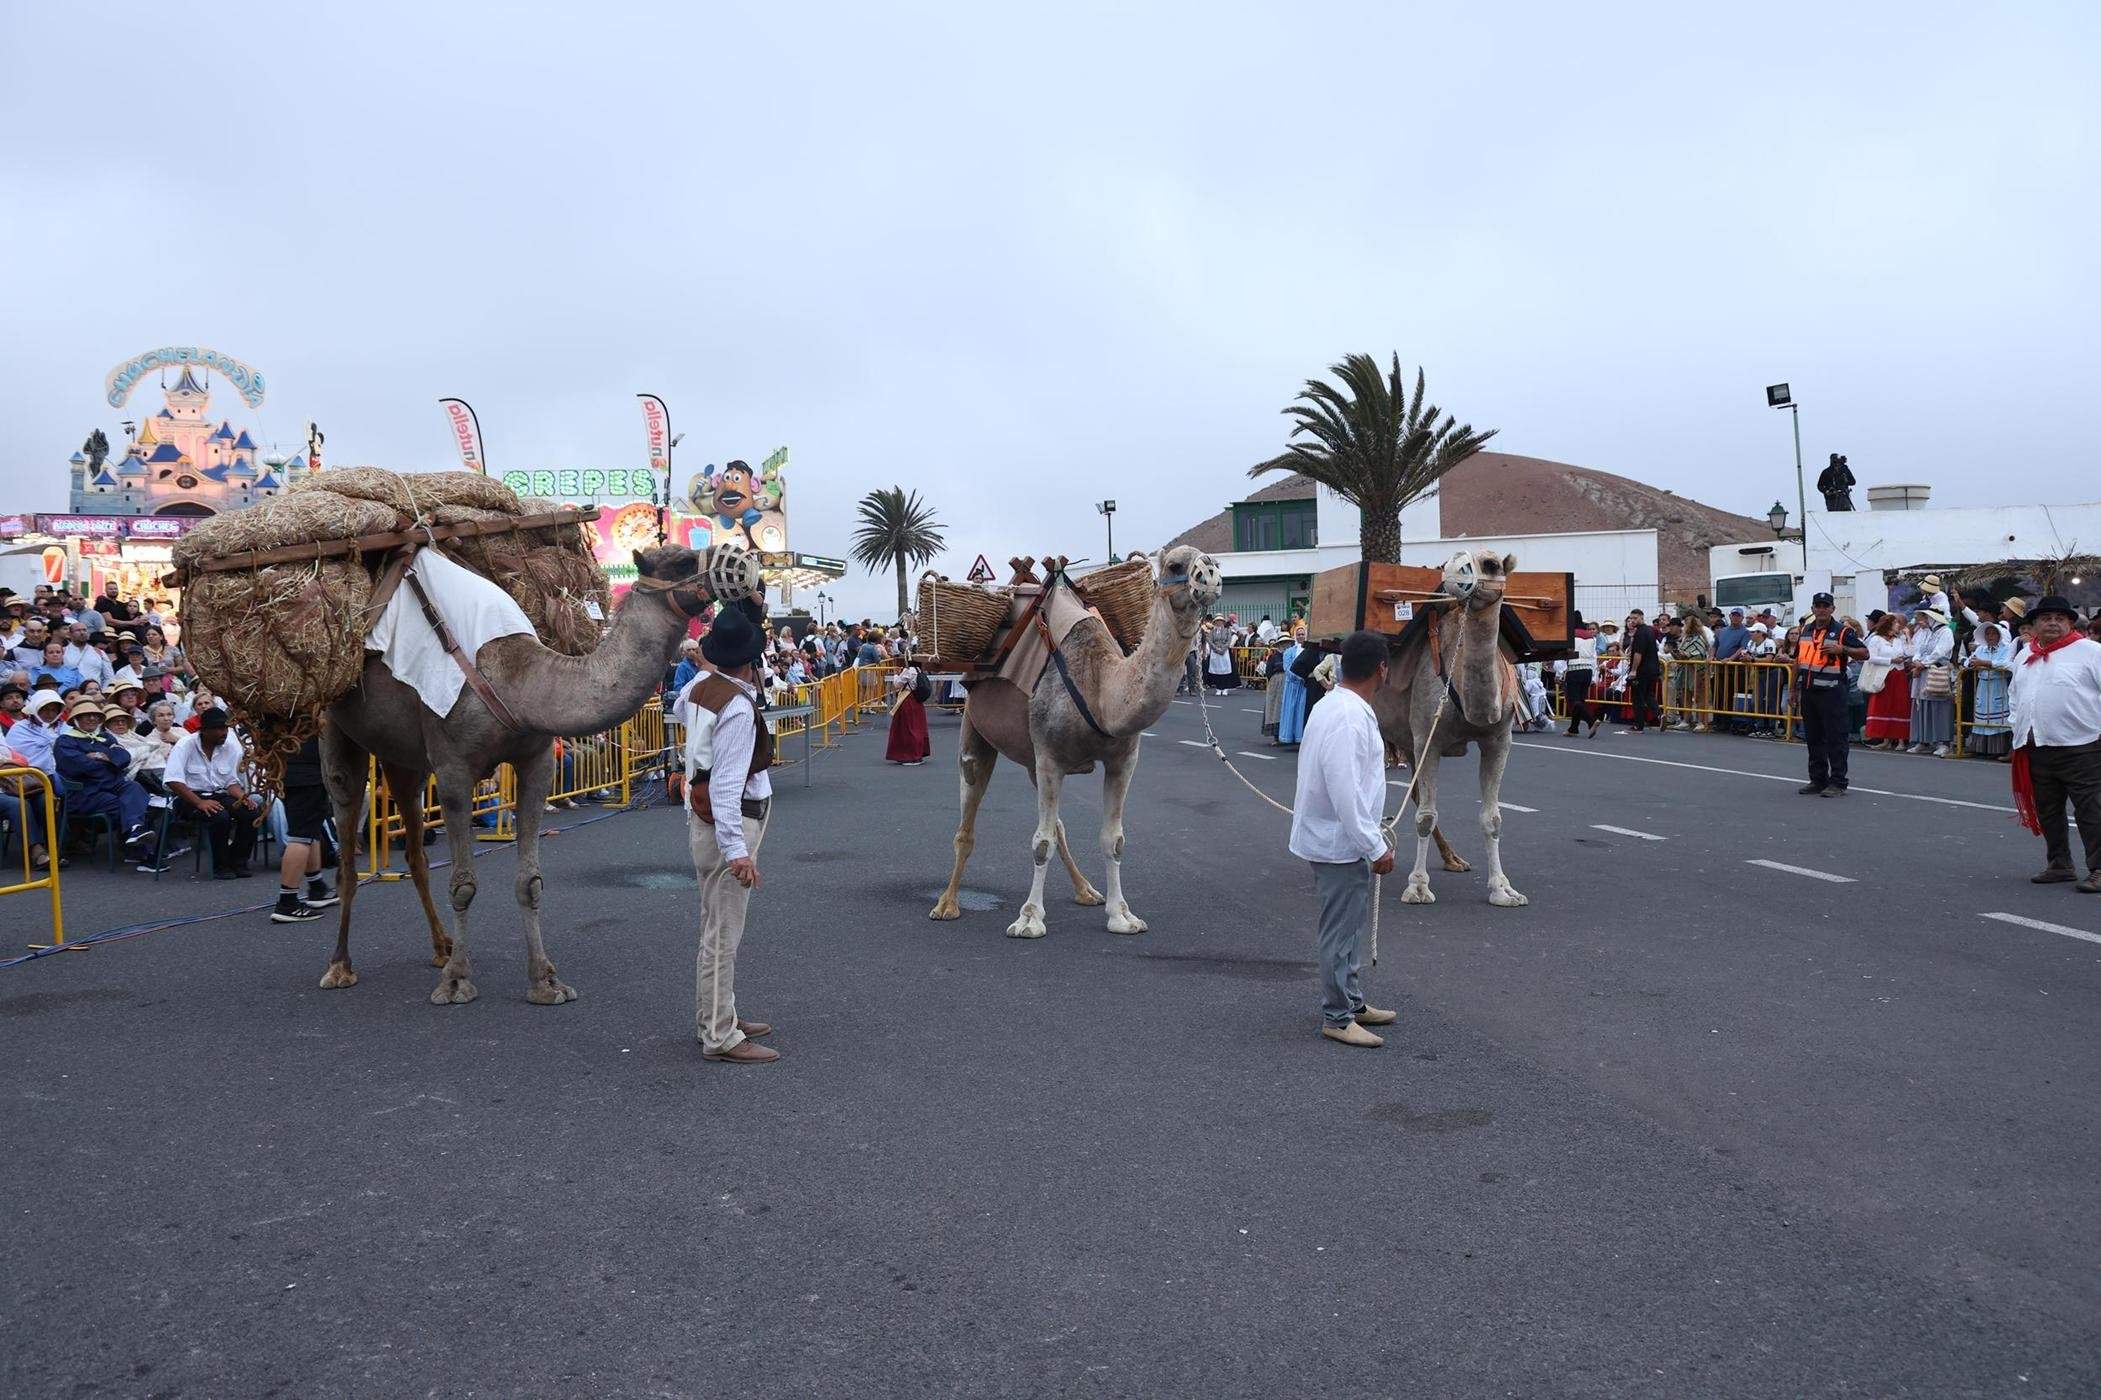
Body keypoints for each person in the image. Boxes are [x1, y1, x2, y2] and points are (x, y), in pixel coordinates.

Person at [1288, 630, 1399, 1049]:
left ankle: (1351, 1001)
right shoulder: (1349, 716)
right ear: (1381, 670)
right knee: (1339, 931)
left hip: (1340, 838)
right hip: (1339, 842)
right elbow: (1344, 789)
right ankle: (1336, 1016)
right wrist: (1375, 845)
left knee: (1350, 927)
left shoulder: (1336, 704)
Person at [678, 606, 780, 1064]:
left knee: (713, 925)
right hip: (732, 820)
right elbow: (726, 783)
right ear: (751, 659)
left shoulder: (700, 687)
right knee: (724, 932)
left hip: (703, 820)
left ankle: (716, 1015)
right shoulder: (737, 705)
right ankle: (720, 1034)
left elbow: (680, 707)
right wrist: (738, 850)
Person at [2008, 596, 2101, 892]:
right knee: (2048, 810)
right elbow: (2015, 696)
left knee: (2091, 810)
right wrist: (2017, 727)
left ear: (2071, 623)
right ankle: (2060, 864)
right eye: (2045, 617)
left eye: (2060, 618)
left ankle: (2099, 869)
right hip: (2037, 744)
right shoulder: (2025, 655)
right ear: (2033, 625)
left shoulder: (2091, 652)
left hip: (2083, 745)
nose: (2052, 622)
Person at [54, 700, 157, 859]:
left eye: (95, 716)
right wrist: (110, 761)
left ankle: (135, 832)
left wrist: (102, 758)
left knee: (135, 788)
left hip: (112, 786)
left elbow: (124, 757)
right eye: (86, 716)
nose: (91, 719)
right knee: (130, 805)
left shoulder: (105, 737)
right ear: (76, 719)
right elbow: (81, 766)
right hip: (85, 793)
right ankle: (139, 849)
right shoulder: (65, 741)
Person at [163, 708, 259, 877]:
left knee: (251, 812)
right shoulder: (185, 745)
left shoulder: (229, 746)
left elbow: (230, 782)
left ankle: (238, 861)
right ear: (204, 730)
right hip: (189, 797)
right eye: (218, 729)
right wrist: (199, 803)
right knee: (219, 816)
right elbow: (173, 780)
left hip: (220, 793)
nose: (223, 733)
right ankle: (220, 867)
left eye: (225, 728)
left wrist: (241, 797)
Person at [1793, 592, 1867, 796]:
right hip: (1809, 691)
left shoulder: (1842, 631)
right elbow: (1798, 661)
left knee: (1836, 738)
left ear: (1833, 609)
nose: (1822, 609)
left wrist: (1842, 649)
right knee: (1814, 738)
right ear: (1813, 608)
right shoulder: (1806, 631)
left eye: (1826, 606)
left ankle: (1838, 782)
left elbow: (1864, 653)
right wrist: (1793, 689)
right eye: (1818, 605)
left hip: (1832, 692)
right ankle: (1817, 779)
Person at [268, 735, 337, 922]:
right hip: (307, 774)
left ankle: (317, 887)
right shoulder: (306, 708)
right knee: (301, 836)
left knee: (309, 831)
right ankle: (287, 903)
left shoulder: (281, 712)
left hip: (288, 771)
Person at [1906, 609, 1957, 756]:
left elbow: (1940, 651)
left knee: (1939, 705)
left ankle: (1943, 742)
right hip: (1922, 671)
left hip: (1936, 671)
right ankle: (1922, 740)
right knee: (1921, 705)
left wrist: (1923, 663)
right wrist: (1916, 661)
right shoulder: (1927, 632)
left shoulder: (1945, 632)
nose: (1924, 619)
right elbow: (1919, 649)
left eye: (1927, 616)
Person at [1965, 621, 2017, 759]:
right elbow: (1968, 661)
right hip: (1983, 684)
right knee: (1982, 714)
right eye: (1987, 633)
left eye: (1993, 633)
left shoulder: (2006, 649)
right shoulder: (1981, 649)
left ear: (1999, 635)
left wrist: (1986, 663)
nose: (1990, 636)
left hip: (1998, 684)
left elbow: (2006, 663)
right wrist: (1972, 663)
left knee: (1998, 716)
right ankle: (1980, 748)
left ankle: (1998, 749)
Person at [1861, 611, 1912, 750]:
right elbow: (1870, 657)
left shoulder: (1898, 639)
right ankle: (1885, 739)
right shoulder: (1876, 639)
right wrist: (1890, 660)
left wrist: (1907, 638)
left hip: (1899, 674)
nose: (1898, 626)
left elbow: (1909, 653)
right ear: (1888, 625)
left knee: (1900, 706)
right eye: (1896, 623)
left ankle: (1901, 740)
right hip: (1884, 675)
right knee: (1883, 706)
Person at [885, 657, 932, 765]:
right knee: (918, 728)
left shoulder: (908, 671)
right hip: (917, 701)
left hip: (907, 700)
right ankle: (918, 754)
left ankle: (910, 755)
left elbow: (897, 684)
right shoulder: (919, 670)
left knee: (907, 729)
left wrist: (896, 674)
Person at [1562, 613, 1598, 738]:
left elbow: (1564, 654)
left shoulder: (1570, 635)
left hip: (1574, 669)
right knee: (1580, 700)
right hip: (1587, 670)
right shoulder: (1591, 637)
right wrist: (1594, 676)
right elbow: (1594, 657)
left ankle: (1591, 720)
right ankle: (1573, 728)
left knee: (1573, 700)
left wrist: (1560, 672)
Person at [1276, 626, 1312, 745]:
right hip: (1292, 684)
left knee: (1301, 710)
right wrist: (1298, 677)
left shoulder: (1309, 651)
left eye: (1302, 634)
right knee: (1290, 709)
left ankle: (1300, 736)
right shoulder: (1289, 651)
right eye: (1299, 634)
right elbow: (1287, 668)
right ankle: (1288, 736)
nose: (1301, 636)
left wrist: (1304, 678)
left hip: (1304, 685)